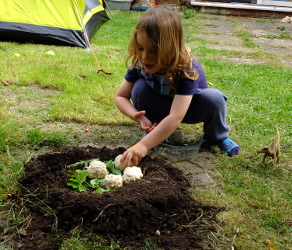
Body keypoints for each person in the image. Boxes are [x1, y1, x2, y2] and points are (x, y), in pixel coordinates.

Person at [115, 5, 240, 167]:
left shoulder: (186, 68)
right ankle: (156, 131)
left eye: (153, 50)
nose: (145, 57)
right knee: (139, 87)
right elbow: (120, 96)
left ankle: (218, 136)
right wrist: (136, 115)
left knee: (214, 98)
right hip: (162, 105)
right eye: (140, 48)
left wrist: (144, 146)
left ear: (171, 48)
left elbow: (176, 116)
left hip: (189, 108)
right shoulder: (140, 64)